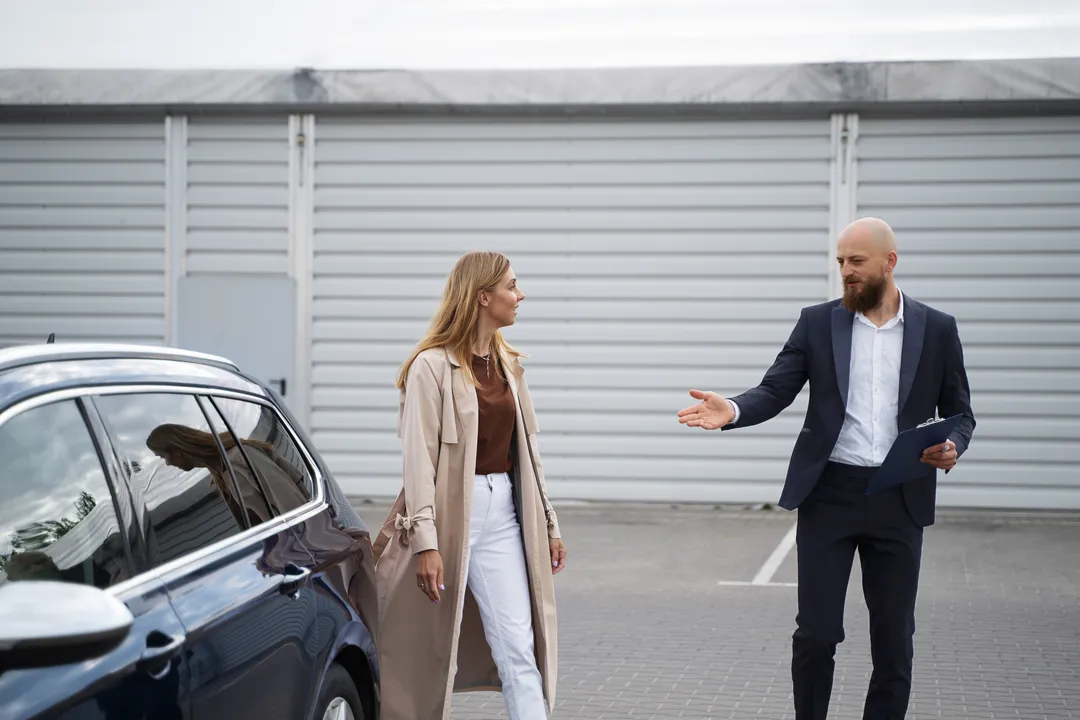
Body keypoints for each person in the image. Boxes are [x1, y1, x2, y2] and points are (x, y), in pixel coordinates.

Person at [677, 217, 976, 720]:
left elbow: (961, 412)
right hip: (829, 493)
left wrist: (952, 445)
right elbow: (774, 389)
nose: (846, 271)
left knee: (894, 637)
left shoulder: (937, 328)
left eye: (856, 261)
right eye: (840, 262)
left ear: (889, 262)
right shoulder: (818, 322)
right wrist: (731, 408)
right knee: (816, 634)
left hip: (900, 495)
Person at [372, 250, 567, 720]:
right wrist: (425, 542)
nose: (521, 296)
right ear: (484, 297)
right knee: (431, 652)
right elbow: (418, 460)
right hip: (448, 515)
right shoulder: (431, 366)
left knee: (519, 647)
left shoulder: (508, 365)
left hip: (504, 513)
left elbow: (530, 454)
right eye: (512, 287)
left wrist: (550, 522)